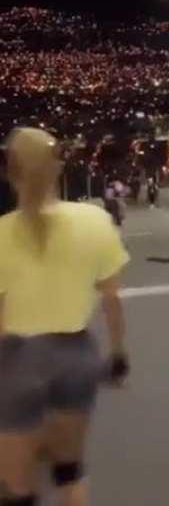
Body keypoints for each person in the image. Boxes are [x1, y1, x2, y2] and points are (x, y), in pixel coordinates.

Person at [0, 128, 130, 506]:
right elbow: (112, 300)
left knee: (16, 488)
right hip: (77, 356)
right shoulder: (94, 220)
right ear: (58, 168)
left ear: (11, 173)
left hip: (17, 360)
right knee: (68, 471)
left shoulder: (2, 234)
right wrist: (119, 357)